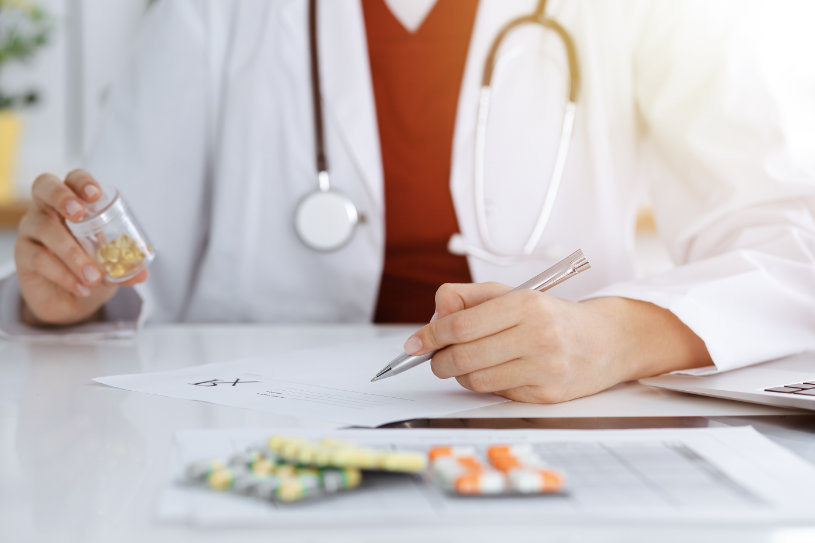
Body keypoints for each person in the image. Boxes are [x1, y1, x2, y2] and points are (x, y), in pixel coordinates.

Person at [3, 0, 814, 404]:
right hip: (254, 428)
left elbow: (792, 241)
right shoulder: (211, 11)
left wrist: (617, 335)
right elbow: (113, 263)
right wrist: (66, 291)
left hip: (552, 426)